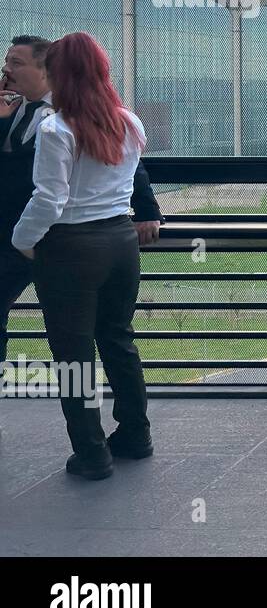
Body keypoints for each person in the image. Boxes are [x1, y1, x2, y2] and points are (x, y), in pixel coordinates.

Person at [11, 33, 154, 480]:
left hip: (71, 248)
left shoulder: (57, 128)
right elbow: (127, 184)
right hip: (120, 242)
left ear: (58, 73)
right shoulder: (129, 121)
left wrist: (22, 238)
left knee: (73, 355)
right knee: (118, 340)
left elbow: (49, 199)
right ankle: (135, 435)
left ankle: (92, 454)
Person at [1, 35, 163, 366]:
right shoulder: (11, 110)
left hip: (60, 239)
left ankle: (93, 416)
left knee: (79, 340)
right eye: (6, 62)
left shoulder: (69, 117)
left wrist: (147, 210)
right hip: (14, 238)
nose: (6, 69)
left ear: (45, 69)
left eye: (16, 62)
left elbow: (126, 160)